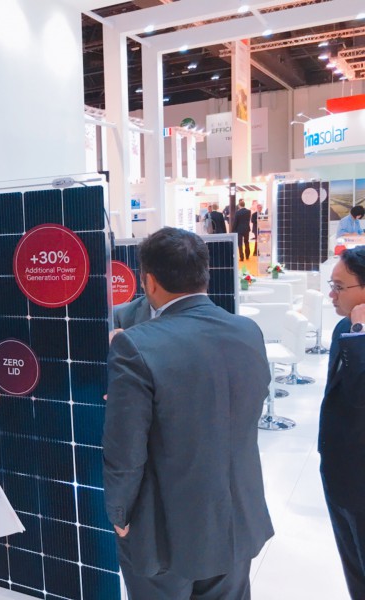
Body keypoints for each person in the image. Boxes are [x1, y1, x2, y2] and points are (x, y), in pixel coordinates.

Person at [103, 227, 273, 600]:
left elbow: (125, 449)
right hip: (236, 517)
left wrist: (119, 513)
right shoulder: (249, 331)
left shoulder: (135, 345)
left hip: (164, 528)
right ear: (203, 274)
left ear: (148, 280)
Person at [321, 247, 365, 598]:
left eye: (339, 286)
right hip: (339, 474)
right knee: (354, 571)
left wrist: (361, 332)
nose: (332, 295)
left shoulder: (355, 332)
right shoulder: (342, 328)